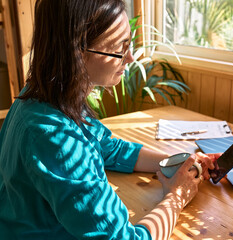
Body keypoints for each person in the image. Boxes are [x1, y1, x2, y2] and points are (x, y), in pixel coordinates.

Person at [0, 0, 220, 239]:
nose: (131, 57)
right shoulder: (54, 137)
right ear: (77, 51)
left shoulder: (47, 94)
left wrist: (174, 163)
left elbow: (109, 148)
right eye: (120, 48)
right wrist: (177, 197)